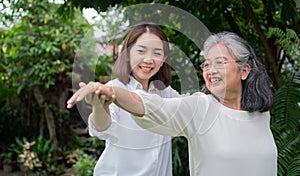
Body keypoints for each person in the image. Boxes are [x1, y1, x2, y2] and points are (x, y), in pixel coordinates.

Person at [67, 31, 278, 176]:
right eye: (207, 64)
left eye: (219, 63)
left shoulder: (260, 114)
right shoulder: (199, 107)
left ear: (244, 70)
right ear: (127, 53)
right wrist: (109, 94)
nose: (210, 70)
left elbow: (170, 104)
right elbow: (148, 108)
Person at [69, 22, 180, 176]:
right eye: (141, 51)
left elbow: (187, 111)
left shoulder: (166, 93)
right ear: (127, 54)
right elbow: (103, 128)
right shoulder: (113, 88)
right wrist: (99, 106)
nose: (149, 60)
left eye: (157, 53)